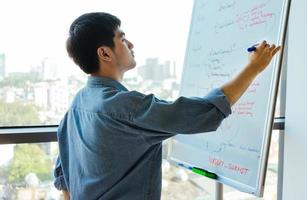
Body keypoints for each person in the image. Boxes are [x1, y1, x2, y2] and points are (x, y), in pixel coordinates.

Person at [53, 12, 281, 200]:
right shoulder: (124, 107)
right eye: (122, 38)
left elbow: (62, 173)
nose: (130, 44)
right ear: (104, 53)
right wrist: (253, 69)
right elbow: (205, 112)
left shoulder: (77, 103)